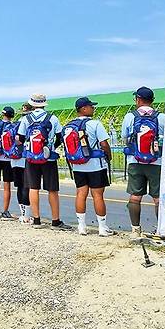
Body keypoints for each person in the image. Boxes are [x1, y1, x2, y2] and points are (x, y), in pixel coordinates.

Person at [17, 93, 72, 230]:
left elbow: (20, 137)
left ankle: (36, 220)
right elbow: (60, 136)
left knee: (33, 188)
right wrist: (50, 148)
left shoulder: (26, 119)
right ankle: (55, 221)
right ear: (44, 104)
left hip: (31, 158)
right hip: (49, 157)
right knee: (52, 189)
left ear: (32, 104)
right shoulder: (52, 118)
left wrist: (30, 147)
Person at [64, 97, 116, 236]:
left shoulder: (69, 126)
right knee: (97, 195)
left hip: (77, 165)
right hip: (95, 165)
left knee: (81, 194)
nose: (93, 108)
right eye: (91, 106)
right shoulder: (95, 124)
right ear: (84, 108)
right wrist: (108, 156)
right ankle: (102, 228)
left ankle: (81, 227)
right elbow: (104, 144)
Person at [122, 86, 165, 236]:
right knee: (158, 198)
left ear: (138, 100)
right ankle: (161, 231)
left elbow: (125, 138)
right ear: (152, 100)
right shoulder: (162, 117)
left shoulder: (130, 117)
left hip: (135, 161)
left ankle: (135, 230)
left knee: (135, 197)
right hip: (157, 162)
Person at [9, 104, 32, 223]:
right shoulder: (29, 123)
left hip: (14, 159)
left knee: (19, 186)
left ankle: (22, 214)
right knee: (26, 186)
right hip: (25, 158)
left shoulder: (14, 124)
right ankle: (27, 216)